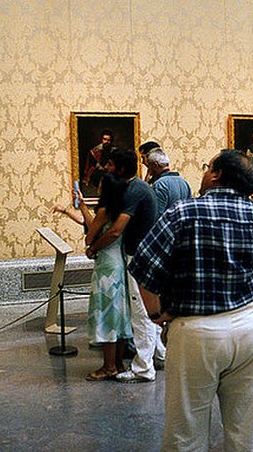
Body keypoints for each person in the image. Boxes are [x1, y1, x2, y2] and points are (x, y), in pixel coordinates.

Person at [127, 149, 253, 451]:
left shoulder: (183, 212)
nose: (205, 172)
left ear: (216, 175)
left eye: (208, 167)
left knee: (186, 430)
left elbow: (143, 265)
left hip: (197, 330)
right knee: (245, 428)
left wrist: (156, 313)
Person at [85, 149, 163, 383]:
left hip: (138, 256)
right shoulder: (134, 188)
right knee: (137, 312)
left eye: (109, 164)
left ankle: (143, 368)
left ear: (119, 169)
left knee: (141, 313)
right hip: (137, 255)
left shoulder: (134, 190)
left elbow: (115, 231)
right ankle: (155, 357)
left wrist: (93, 247)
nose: (105, 168)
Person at [52, 173, 133, 381]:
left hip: (106, 266)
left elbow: (90, 236)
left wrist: (92, 245)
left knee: (106, 314)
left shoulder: (104, 210)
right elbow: (93, 224)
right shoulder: (121, 208)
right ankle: (118, 363)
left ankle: (108, 367)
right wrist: (82, 207)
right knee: (118, 315)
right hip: (119, 262)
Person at [145, 148, 191, 215]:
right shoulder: (184, 182)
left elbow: (157, 214)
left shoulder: (160, 184)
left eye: (149, 166)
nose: (149, 171)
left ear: (155, 165)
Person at [82, 129, 115, 194]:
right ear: (102, 139)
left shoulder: (114, 151)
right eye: (105, 139)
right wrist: (99, 166)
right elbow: (91, 165)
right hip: (98, 172)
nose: (106, 142)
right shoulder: (95, 151)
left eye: (108, 140)